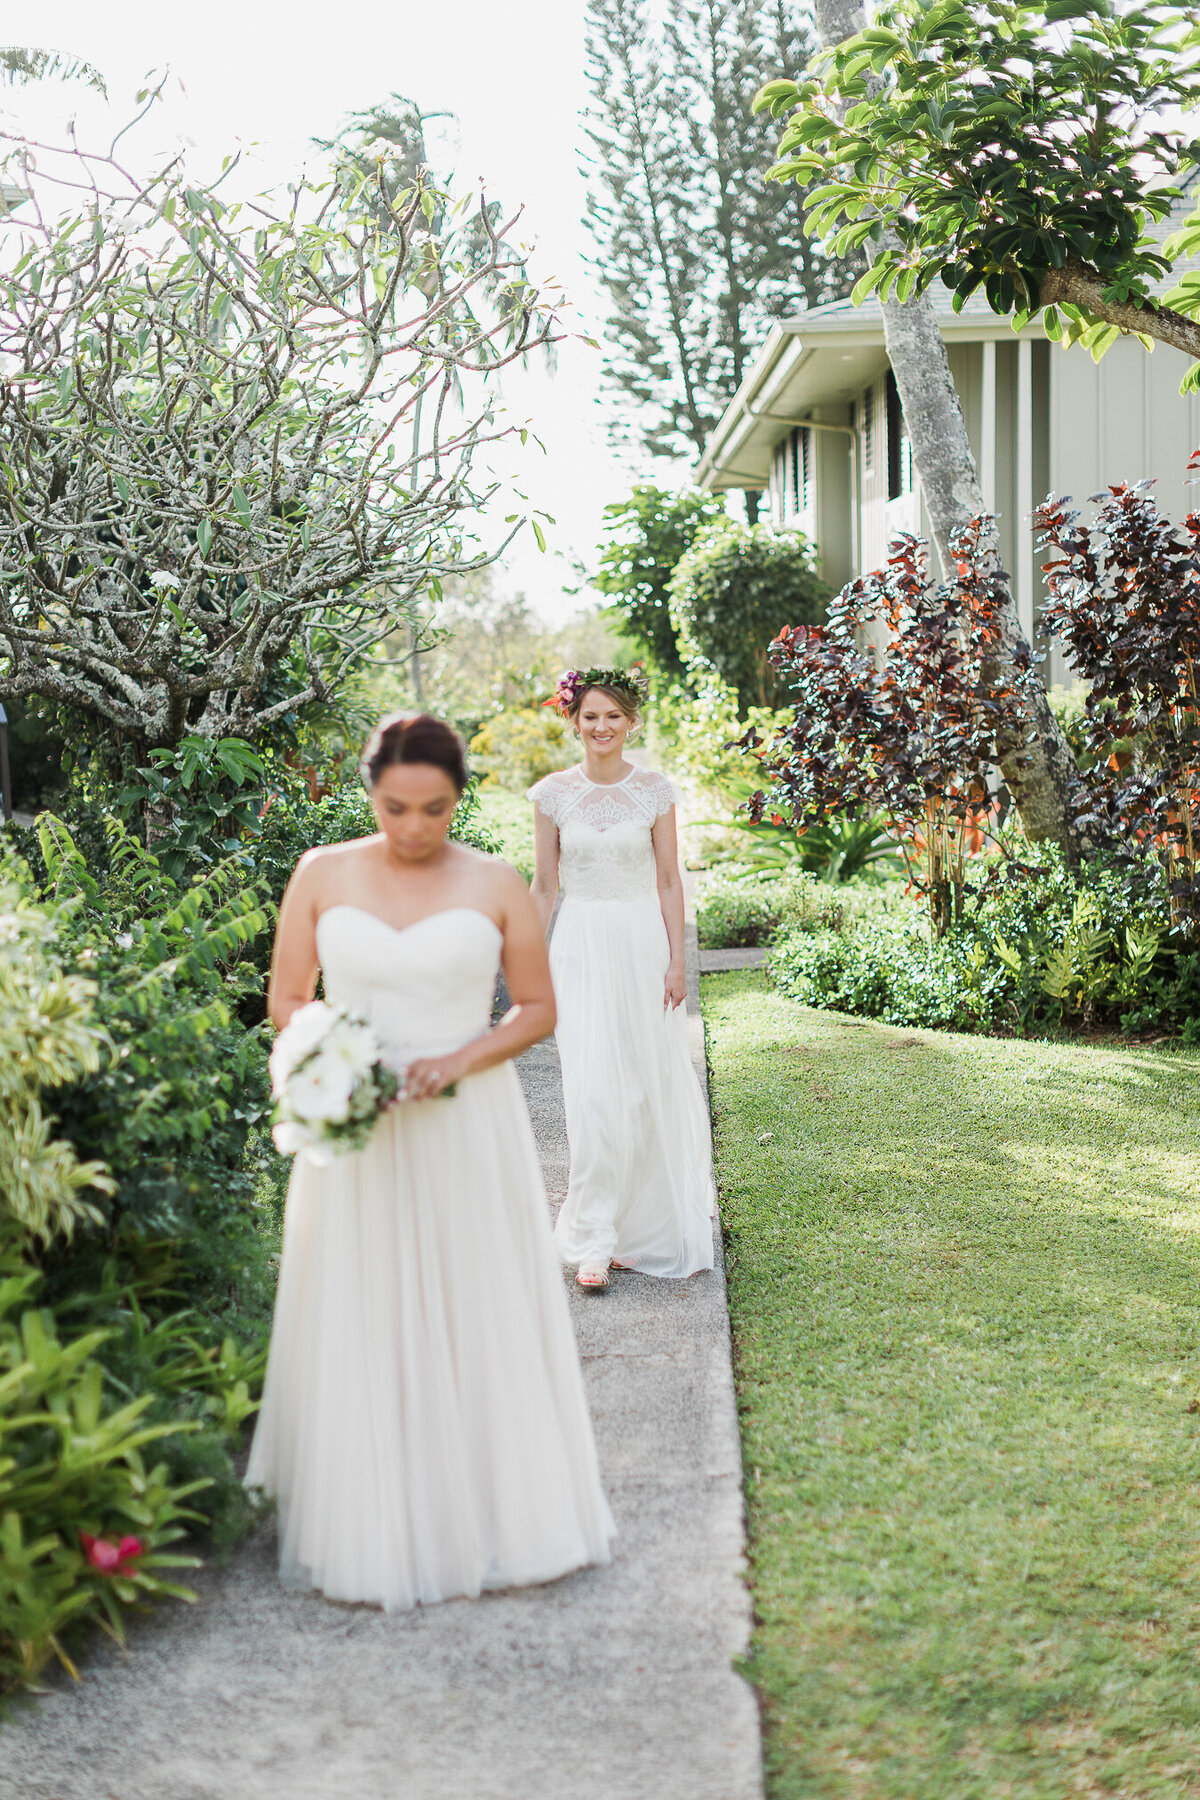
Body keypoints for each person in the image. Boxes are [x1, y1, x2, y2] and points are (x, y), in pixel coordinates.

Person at [246, 711, 615, 1611]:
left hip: (466, 1123)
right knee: (364, 1299)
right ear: (370, 791)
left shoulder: (492, 882)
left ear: (459, 799)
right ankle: (372, 1506)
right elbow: (287, 999)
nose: (414, 829)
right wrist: (343, 1061)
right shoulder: (320, 874)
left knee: (471, 1300)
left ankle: (489, 1507)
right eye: (395, 807)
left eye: (435, 810)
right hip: (357, 1127)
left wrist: (456, 1059)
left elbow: (536, 1008)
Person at [528, 668, 715, 1290]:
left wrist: (676, 959)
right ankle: (593, 1239)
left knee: (639, 1088)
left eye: (613, 716)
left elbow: (668, 881)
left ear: (630, 721)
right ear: (573, 721)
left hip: (640, 944)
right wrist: (527, 962)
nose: (601, 727)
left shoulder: (654, 792)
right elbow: (545, 886)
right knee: (591, 1092)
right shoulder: (552, 795)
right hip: (578, 946)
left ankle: (637, 1229)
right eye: (590, 716)